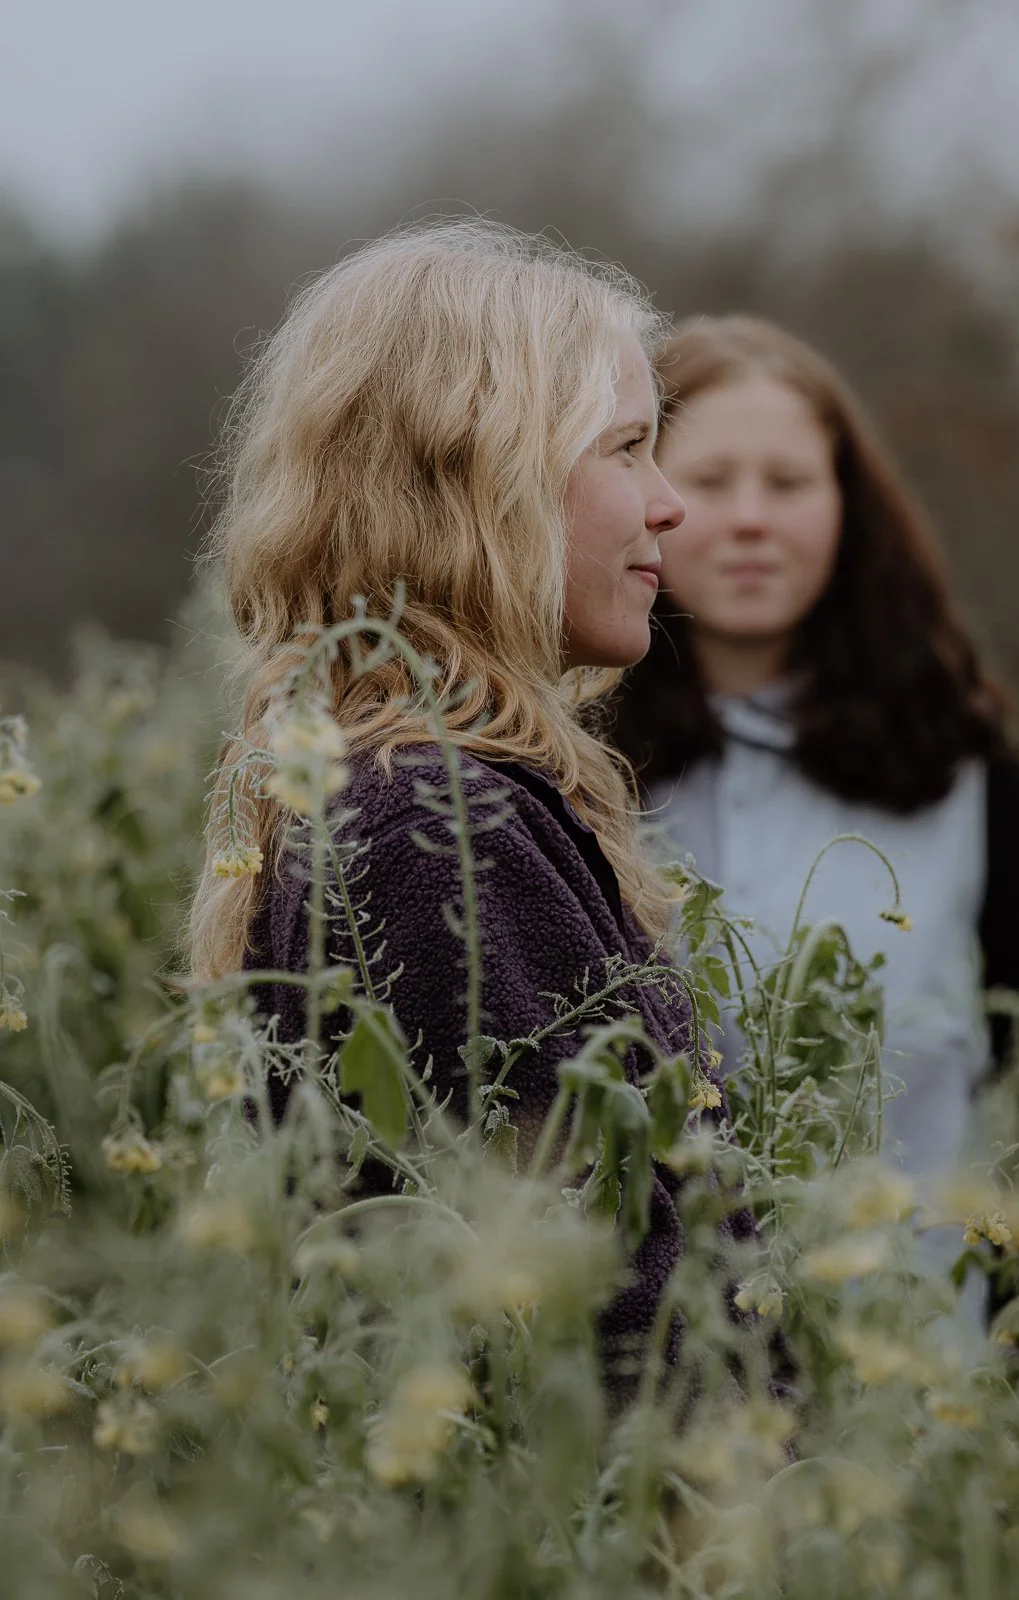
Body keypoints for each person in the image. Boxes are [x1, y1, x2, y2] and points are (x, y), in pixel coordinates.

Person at [187, 223, 758, 1403]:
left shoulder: (427, 793)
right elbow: (592, 1326)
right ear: (479, 479)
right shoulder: (431, 827)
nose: (669, 506)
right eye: (626, 449)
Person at [610, 314, 1019, 1193]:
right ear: (642, 497)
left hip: (921, 1276)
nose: (751, 518)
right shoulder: (568, 759)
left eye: (789, 482)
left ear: (849, 505)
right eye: (711, 480)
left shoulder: (955, 760)